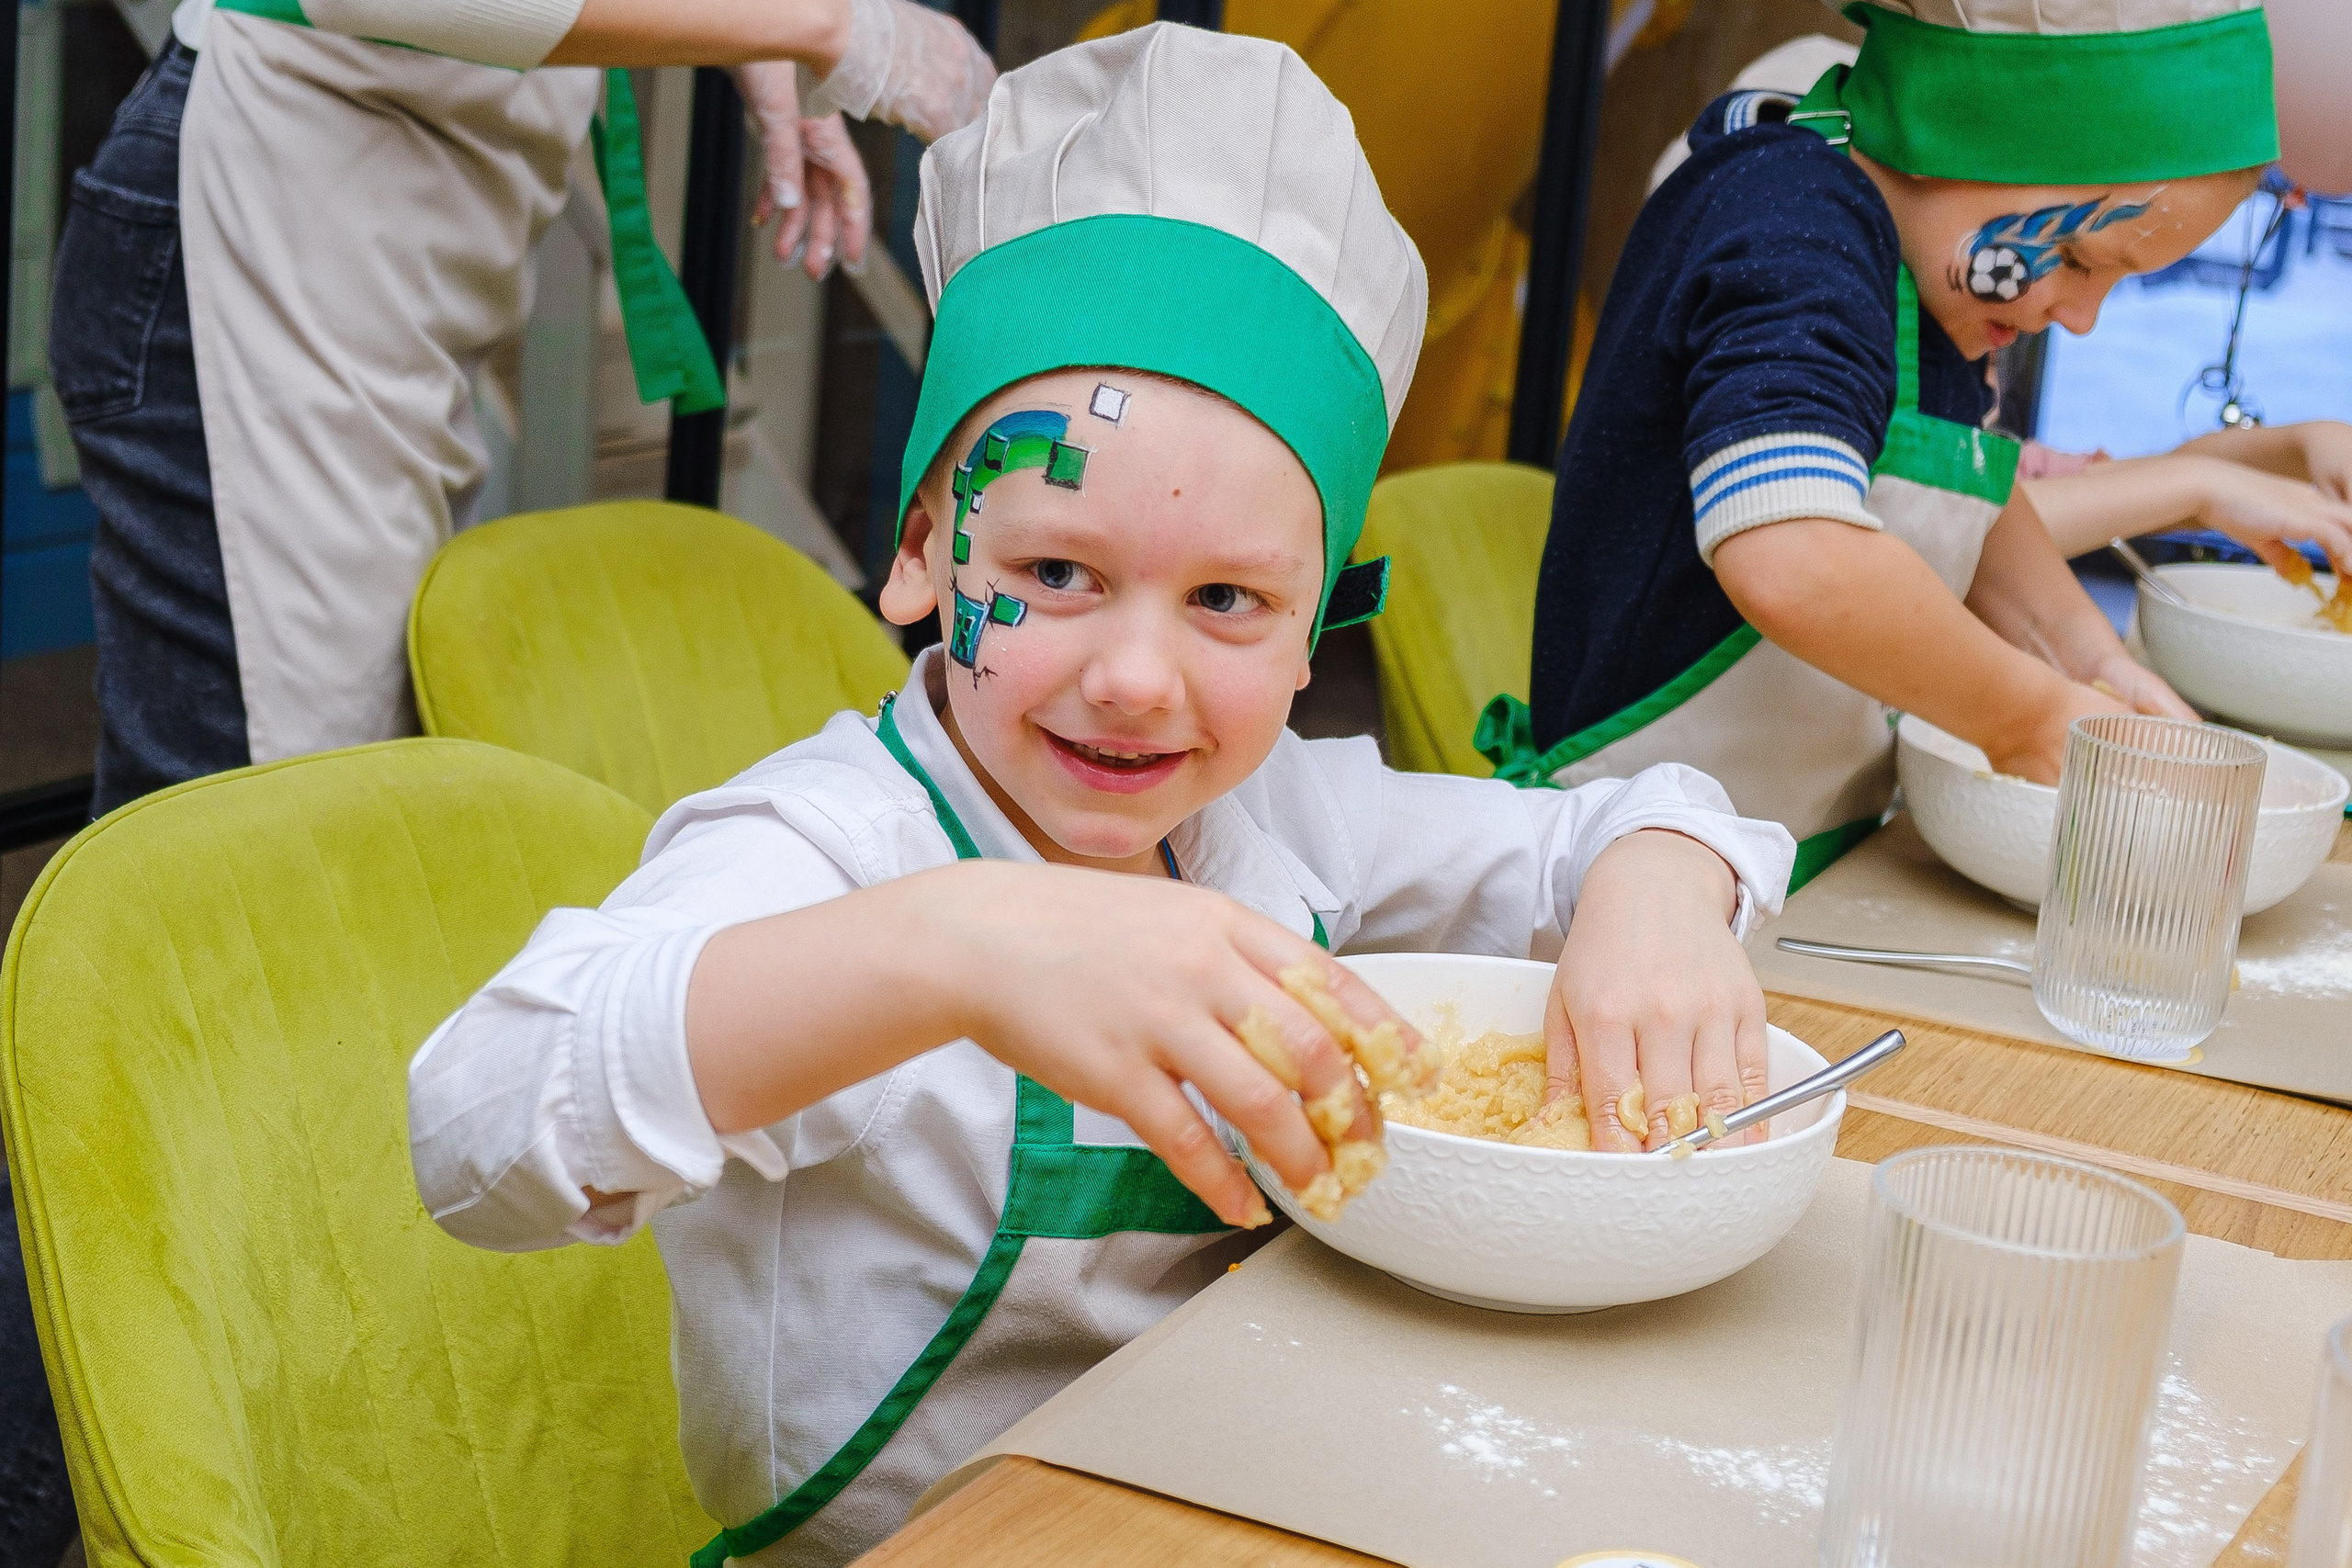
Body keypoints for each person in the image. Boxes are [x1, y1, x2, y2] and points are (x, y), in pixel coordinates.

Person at [407, 26, 1796, 1566]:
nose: (1137, 678)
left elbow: (1650, 817)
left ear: (1314, 623)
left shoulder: (1289, 831)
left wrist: (1666, 881)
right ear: (932, 546)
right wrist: (958, 945)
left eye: (1227, 603)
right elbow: (475, 1126)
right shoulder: (831, 848)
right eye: (1056, 573)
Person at [51, 0, 992, 818]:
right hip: (264, 235)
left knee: (316, 784)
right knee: (261, 810)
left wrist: (759, 49)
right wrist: (827, 26)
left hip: (364, 255)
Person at [1494, 0, 2284, 890]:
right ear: (1968, 132)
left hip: (1801, 852)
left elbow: (1968, 503)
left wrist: (2088, 661)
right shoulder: (1793, 224)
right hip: (1636, 867)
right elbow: (1794, 554)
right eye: (2079, 259)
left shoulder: (1932, 285)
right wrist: (2027, 719)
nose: (2080, 316)